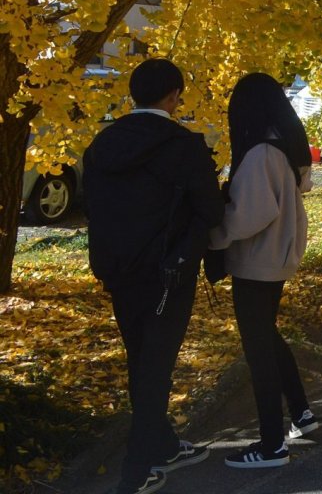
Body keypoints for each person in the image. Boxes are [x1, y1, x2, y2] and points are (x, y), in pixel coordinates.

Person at [83, 58, 224, 494]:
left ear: (133, 95)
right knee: (156, 367)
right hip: (168, 272)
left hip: (117, 269)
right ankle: (136, 472)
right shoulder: (184, 146)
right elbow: (211, 211)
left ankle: (161, 446)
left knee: (140, 358)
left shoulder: (103, 144)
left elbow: (93, 207)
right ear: (174, 96)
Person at [209, 73, 318, 469]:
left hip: (258, 259)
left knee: (259, 350)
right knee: (267, 337)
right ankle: (301, 412)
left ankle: (272, 445)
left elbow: (248, 215)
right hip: (276, 256)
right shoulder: (286, 144)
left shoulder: (260, 153)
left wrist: (212, 237)